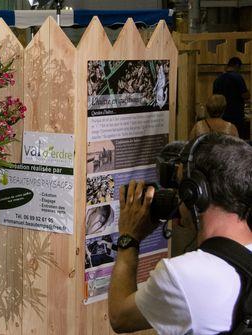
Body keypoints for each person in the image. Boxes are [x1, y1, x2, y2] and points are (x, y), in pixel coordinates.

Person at [108, 133, 252, 334]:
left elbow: (119, 317)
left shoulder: (185, 275)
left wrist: (129, 238)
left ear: (195, 193)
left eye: (180, 185)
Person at [213, 57, 251, 140]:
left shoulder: (217, 79)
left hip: (221, 117)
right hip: (236, 116)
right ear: (237, 65)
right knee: (237, 141)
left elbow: (214, 97)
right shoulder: (237, 77)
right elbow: (245, 95)